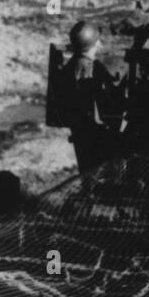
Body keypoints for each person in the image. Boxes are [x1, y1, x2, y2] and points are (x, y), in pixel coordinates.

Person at [58, 20, 125, 179]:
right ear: (93, 43)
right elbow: (110, 99)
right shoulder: (96, 69)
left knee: (87, 172)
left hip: (79, 130)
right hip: (99, 132)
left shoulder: (68, 69)